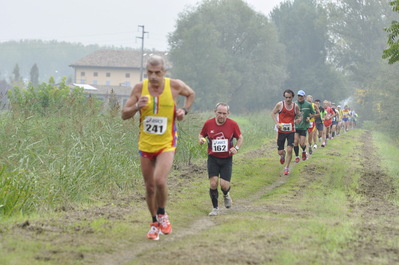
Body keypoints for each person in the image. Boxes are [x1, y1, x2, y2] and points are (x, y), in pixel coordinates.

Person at [122, 55, 195, 240]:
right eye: (149, 73)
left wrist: (183, 111)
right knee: (149, 187)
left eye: (157, 73)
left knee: (160, 180)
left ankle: (162, 214)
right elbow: (124, 114)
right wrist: (137, 106)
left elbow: (191, 94)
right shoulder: (139, 88)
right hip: (145, 144)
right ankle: (154, 223)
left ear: (164, 72)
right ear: (146, 71)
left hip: (166, 143)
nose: (153, 77)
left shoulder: (175, 86)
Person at [199, 102, 243, 216]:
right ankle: (215, 208)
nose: (221, 116)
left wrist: (236, 148)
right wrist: (201, 139)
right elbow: (201, 135)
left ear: (227, 114)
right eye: (219, 113)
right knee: (213, 184)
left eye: (224, 113)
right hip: (213, 158)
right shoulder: (208, 123)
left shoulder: (233, 124)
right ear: (215, 112)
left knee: (224, 185)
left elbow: (240, 137)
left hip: (226, 159)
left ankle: (226, 194)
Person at [271, 89, 302, 175]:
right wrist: (277, 123)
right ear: (284, 97)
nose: (288, 99)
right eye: (286, 97)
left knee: (289, 149)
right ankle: (283, 154)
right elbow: (273, 113)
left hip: (291, 131)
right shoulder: (280, 105)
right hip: (281, 131)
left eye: (290, 97)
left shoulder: (295, 106)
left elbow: (300, 115)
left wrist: (299, 119)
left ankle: (286, 167)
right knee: (280, 152)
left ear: (292, 97)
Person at [293, 90, 316, 162]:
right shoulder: (294, 104)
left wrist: (309, 117)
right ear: (297, 96)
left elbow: (313, 113)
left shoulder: (308, 105)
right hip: (296, 126)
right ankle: (297, 157)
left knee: (302, 143)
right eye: (299, 96)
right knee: (295, 142)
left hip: (304, 126)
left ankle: (303, 151)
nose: (300, 97)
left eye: (301, 96)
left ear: (304, 96)